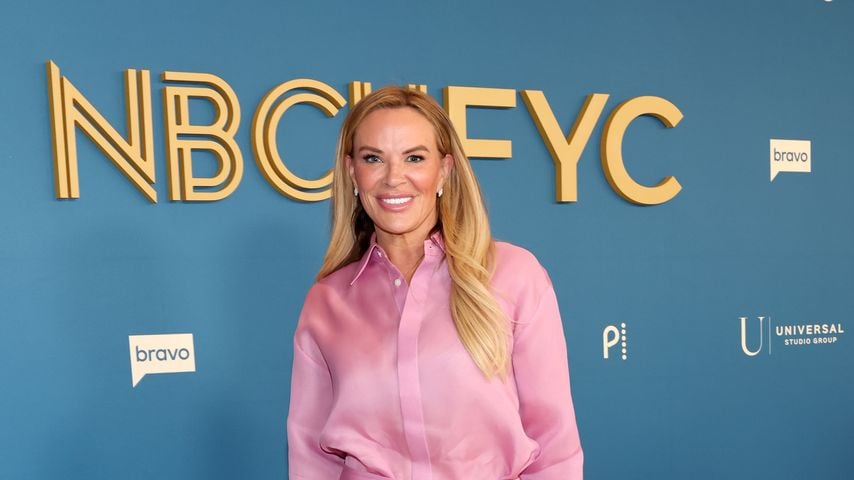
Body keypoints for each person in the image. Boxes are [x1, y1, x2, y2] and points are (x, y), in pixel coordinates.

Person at [287, 86, 583, 480]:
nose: (394, 178)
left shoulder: (514, 275)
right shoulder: (327, 302)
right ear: (351, 172)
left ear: (443, 170)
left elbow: (555, 444)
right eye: (373, 158)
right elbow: (311, 458)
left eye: (414, 157)